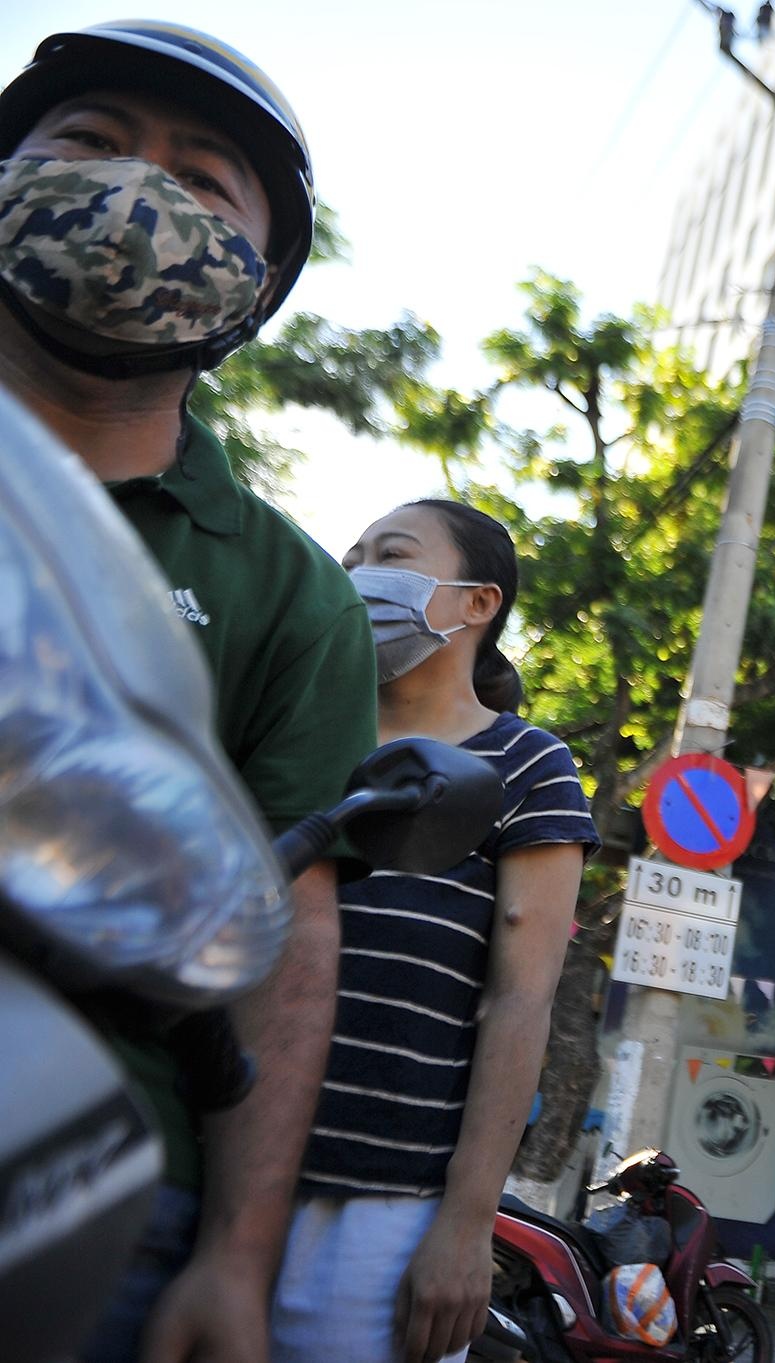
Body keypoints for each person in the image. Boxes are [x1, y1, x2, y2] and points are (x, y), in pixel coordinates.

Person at [0, 23, 381, 1362]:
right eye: (89, 141)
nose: (133, 188)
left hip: (81, 1178)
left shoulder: (292, 592)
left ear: (258, 281)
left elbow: (287, 947)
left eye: (202, 179)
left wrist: (237, 1254)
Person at [270, 501, 599, 1363]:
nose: (357, 573)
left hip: (385, 1208)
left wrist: (466, 1223)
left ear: (478, 602)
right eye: (352, 556)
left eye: (391, 554)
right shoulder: (292, 732)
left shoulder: (528, 764)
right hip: (221, 1160)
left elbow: (520, 1000)